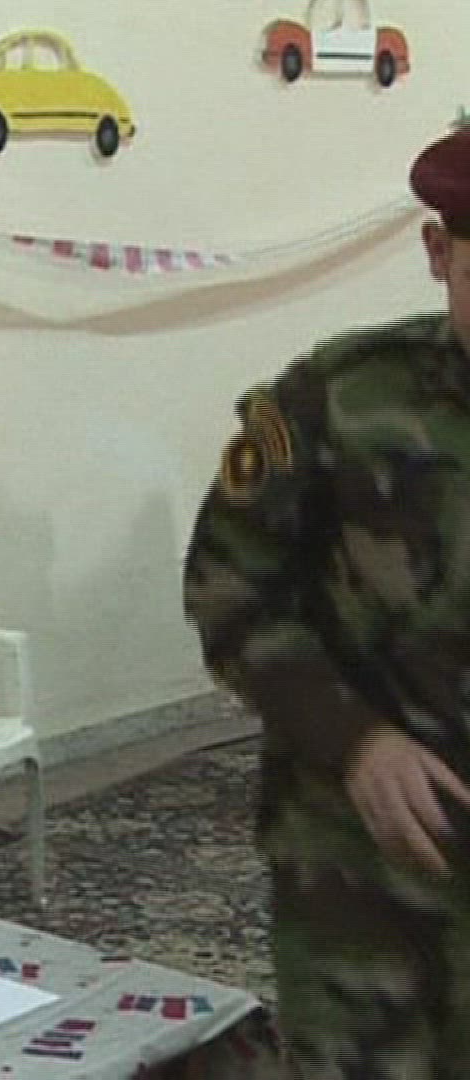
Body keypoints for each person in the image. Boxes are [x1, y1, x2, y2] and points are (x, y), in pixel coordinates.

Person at [183, 126, 470, 1078]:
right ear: (439, 252)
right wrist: (356, 740)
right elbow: (227, 583)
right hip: (364, 869)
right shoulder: (334, 400)